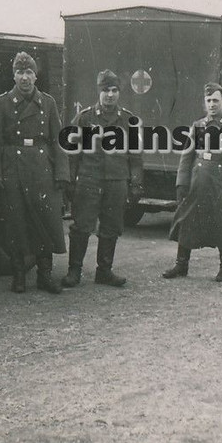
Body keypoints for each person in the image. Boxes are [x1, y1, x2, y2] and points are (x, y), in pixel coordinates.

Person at [0, 51, 68, 294]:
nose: (25, 78)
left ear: (35, 74)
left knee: (45, 222)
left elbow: (57, 141)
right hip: (13, 169)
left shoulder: (48, 103)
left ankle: (45, 276)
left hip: (42, 171)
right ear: (14, 75)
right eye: (20, 72)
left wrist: (62, 173)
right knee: (16, 224)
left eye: (29, 72)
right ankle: (19, 275)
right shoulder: (1, 103)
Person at [62, 70, 144, 288]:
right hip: (89, 181)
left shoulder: (128, 120)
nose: (110, 95)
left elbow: (136, 157)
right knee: (81, 226)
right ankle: (74, 271)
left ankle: (104, 271)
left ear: (119, 93)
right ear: (99, 91)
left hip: (117, 182)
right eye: (106, 90)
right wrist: (70, 182)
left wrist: (136, 183)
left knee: (111, 226)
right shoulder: (85, 119)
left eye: (114, 90)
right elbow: (72, 153)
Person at [162, 82, 222, 282]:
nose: (212, 104)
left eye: (216, 100)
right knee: (187, 219)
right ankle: (181, 264)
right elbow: (187, 156)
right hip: (199, 180)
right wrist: (182, 183)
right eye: (208, 101)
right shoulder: (198, 126)